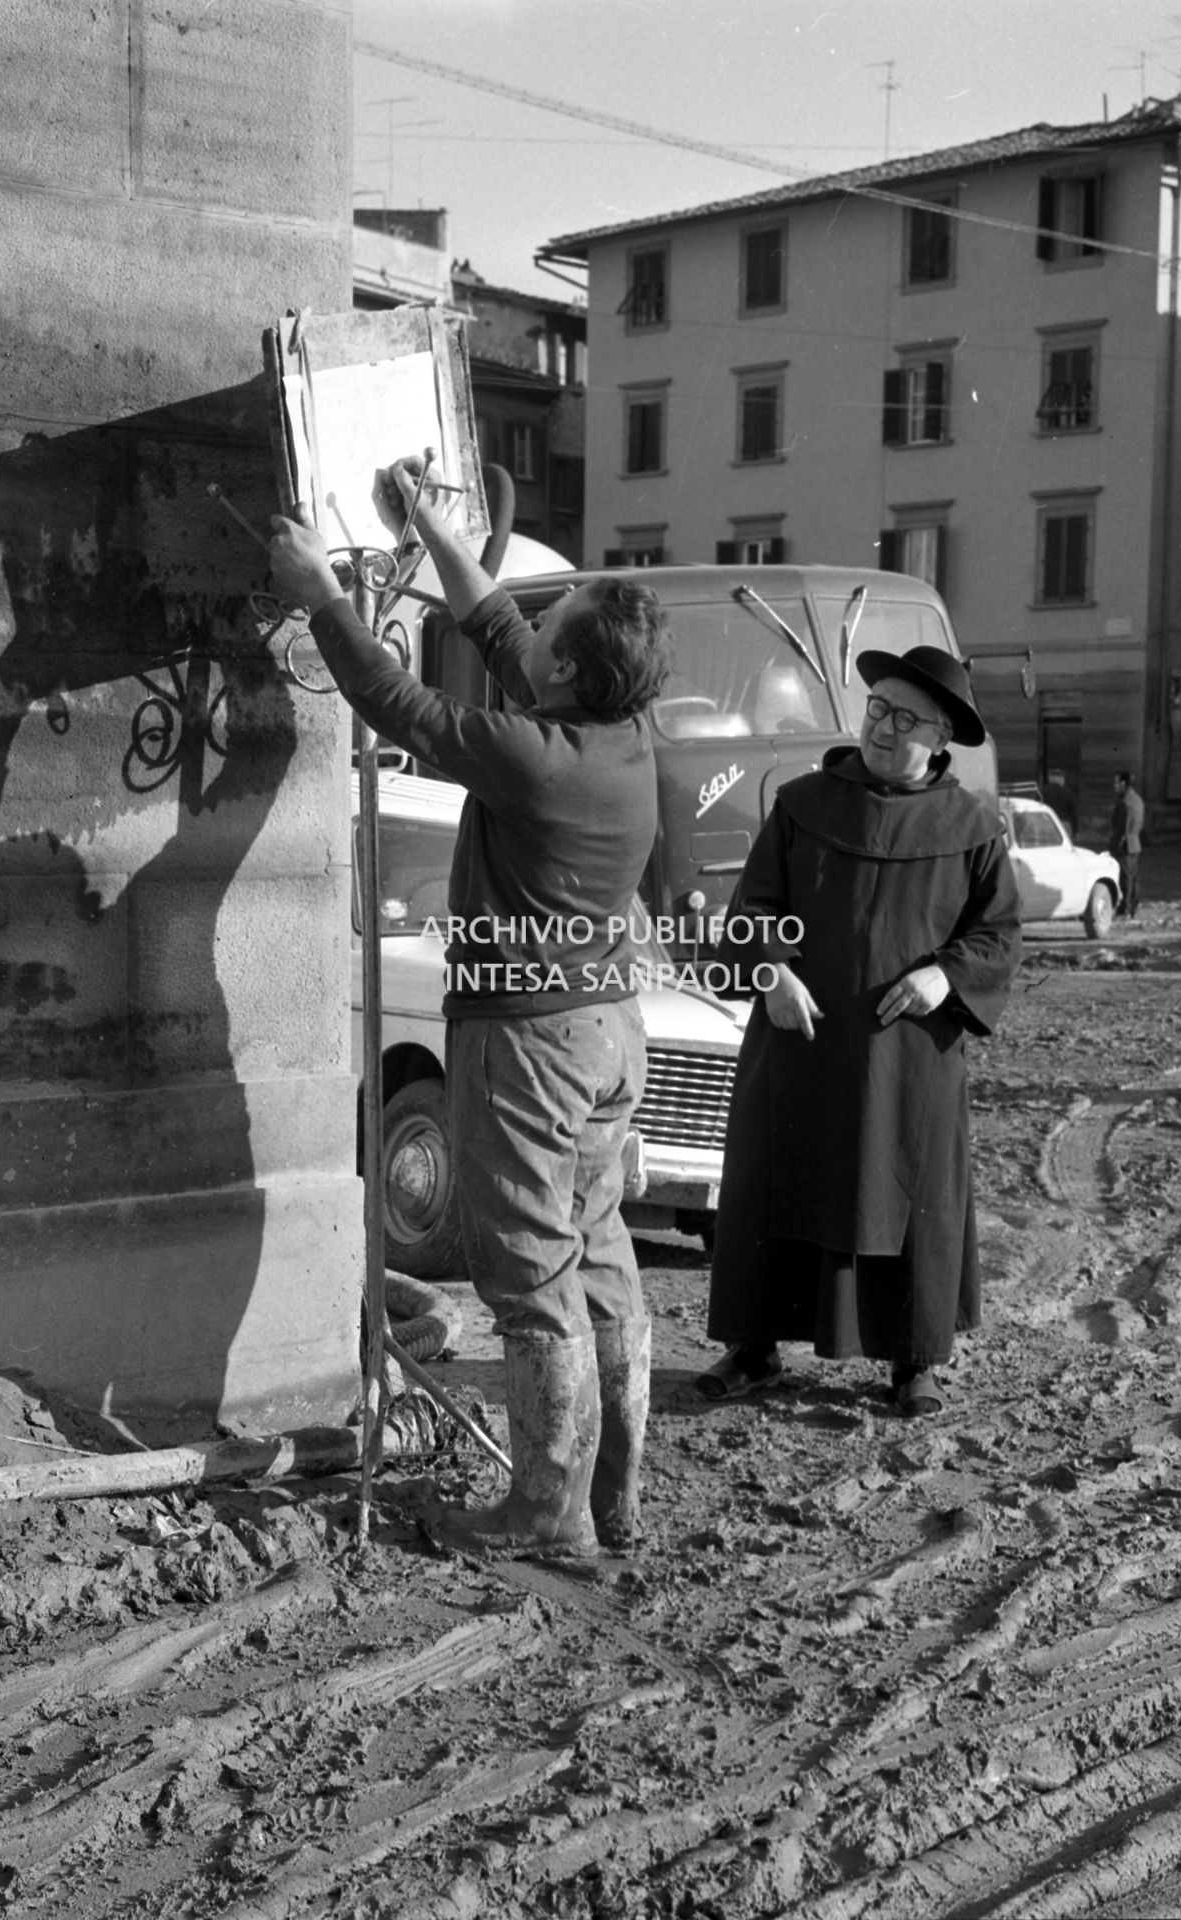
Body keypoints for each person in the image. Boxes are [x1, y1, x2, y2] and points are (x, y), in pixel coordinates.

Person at [267, 459, 672, 1555]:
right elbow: (500, 634)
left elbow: (400, 703)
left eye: (556, 628)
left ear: (570, 671)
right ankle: (612, 1496)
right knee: (596, 1263)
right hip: (603, 1036)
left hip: (529, 1038)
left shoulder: (533, 759)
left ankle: (545, 1513)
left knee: (530, 1283)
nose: (530, 628)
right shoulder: (621, 736)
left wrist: (320, 591)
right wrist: (437, 529)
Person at [698, 647, 1022, 1415]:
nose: (883, 726)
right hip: (798, 1042)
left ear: (941, 739)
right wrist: (770, 972)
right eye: (877, 707)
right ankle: (752, 1348)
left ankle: (913, 1362)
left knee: (908, 1194)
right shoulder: (803, 801)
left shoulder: (974, 827)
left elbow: (998, 936)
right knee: (774, 1182)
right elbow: (750, 907)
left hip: (907, 1058)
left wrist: (945, 973)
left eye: (905, 718)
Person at [1109, 770, 1145, 919]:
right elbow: (1141, 823)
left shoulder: (1125, 803)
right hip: (1135, 843)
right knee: (1133, 877)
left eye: (1116, 783)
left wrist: (1115, 844)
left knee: (1125, 879)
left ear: (1123, 783)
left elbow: (1121, 827)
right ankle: (1133, 907)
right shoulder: (1137, 799)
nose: (1114, 786)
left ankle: (1125, 909)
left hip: (1124, 845)